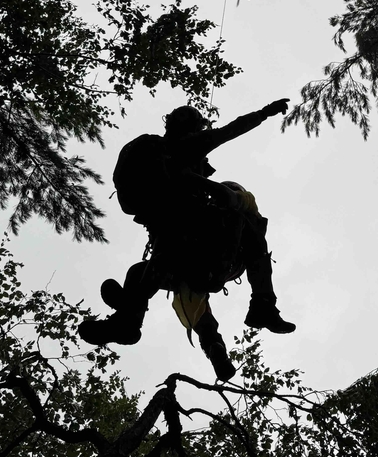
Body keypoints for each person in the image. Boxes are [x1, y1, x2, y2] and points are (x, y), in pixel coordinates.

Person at [78, 99, 294, 377]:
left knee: (165, 273)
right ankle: (129, 321)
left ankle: (131, 316)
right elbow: (229, 131)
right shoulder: (181, 150)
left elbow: (227, 140)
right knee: (145, 273)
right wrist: (264, 113)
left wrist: (211, 187)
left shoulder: (166, 158)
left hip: (196, 253)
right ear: (189, 128)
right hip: (195, 251)